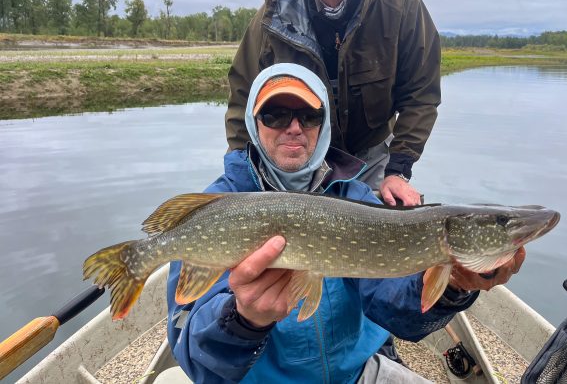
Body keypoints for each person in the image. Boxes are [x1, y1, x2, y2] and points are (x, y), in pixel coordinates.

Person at [167, 63, 525, 383]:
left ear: (323, 126)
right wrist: (242, 321)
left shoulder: (356, 199)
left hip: (355, 375)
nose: (293, 127)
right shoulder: (218, 207)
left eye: (308, 115)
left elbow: (399, 313)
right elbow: (194, 359)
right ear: (253, 122)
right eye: (276, 114)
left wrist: (455, 288)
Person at [225, 0, 442, 207]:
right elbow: (241, 103)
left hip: (371, 151)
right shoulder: (270, 22)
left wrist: (398, 170)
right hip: (298, 153)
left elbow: (421, 93)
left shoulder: (400, 2)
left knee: (385, 227)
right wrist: (243, 177)